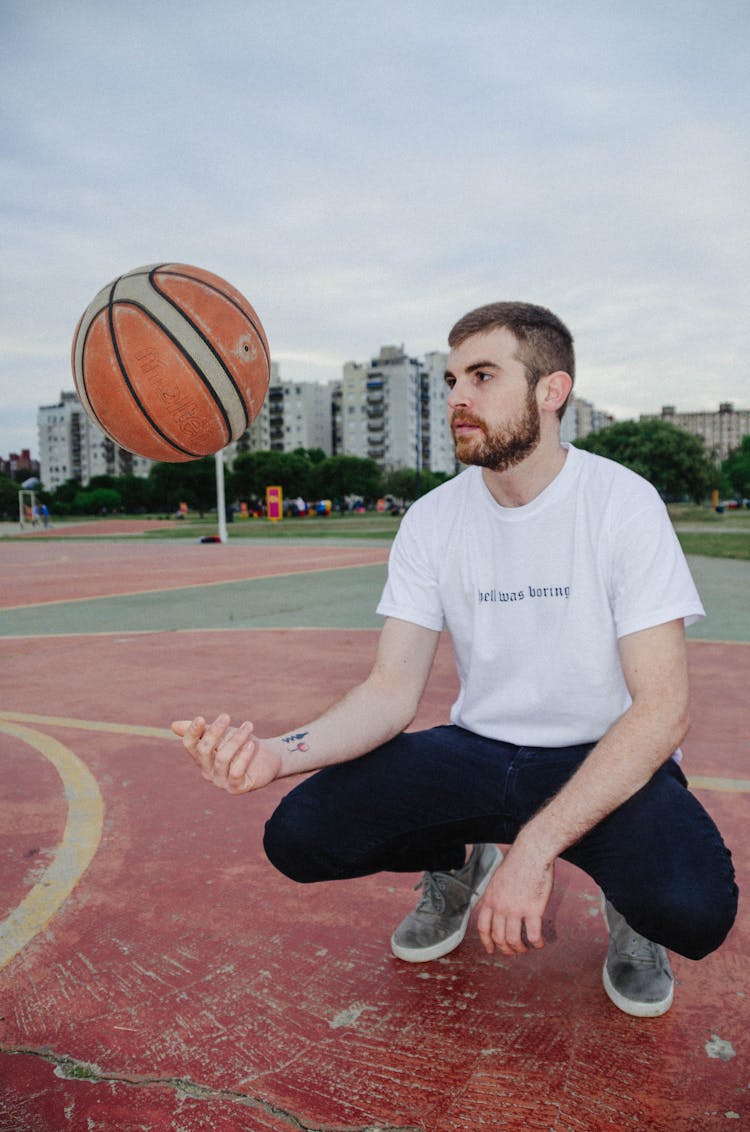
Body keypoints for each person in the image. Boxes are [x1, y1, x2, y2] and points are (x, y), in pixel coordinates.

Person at [173, 301, 737, 1018]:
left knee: (692, 908)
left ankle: (631, 908)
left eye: (481, 376)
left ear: (550, 391)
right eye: (449, 381)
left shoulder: (622, 504)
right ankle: (462, 863)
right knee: (300, 837)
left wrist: (537, 852)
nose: (456, 398)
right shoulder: (433, 518)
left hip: (602, 755)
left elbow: (663, 711)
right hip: (480, 750)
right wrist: (276, 754)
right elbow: (389, 690)